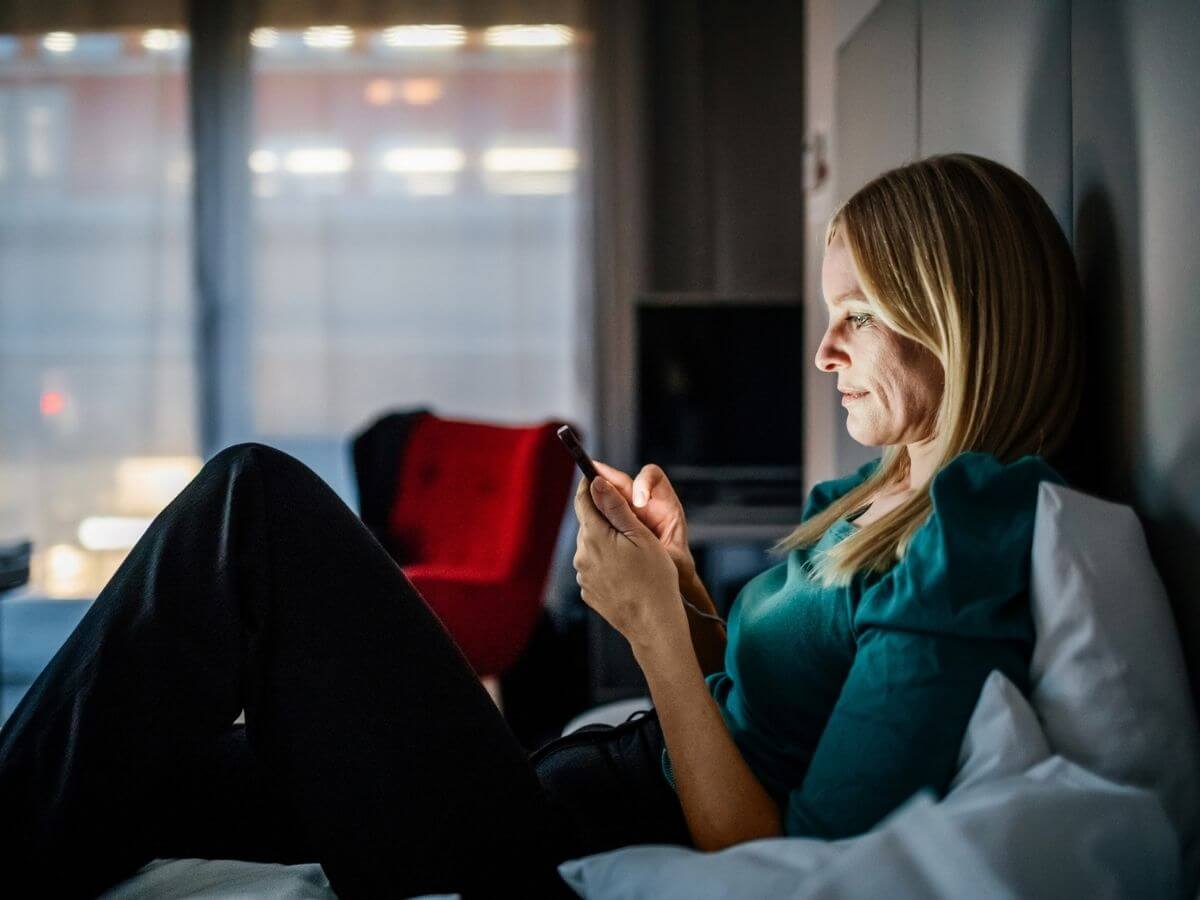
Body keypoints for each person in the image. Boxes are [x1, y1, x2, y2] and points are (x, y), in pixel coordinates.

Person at [0, 152, 1082, 898]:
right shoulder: (873, 496)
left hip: (543, 851)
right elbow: (760, 708)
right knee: (145, 771)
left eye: (857, 318)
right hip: (550, 779)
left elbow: (785, 859)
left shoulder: (964, 537)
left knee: (256, 506)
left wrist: (651, 634)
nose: (823, 353)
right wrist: (679, 586)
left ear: (954, 319)